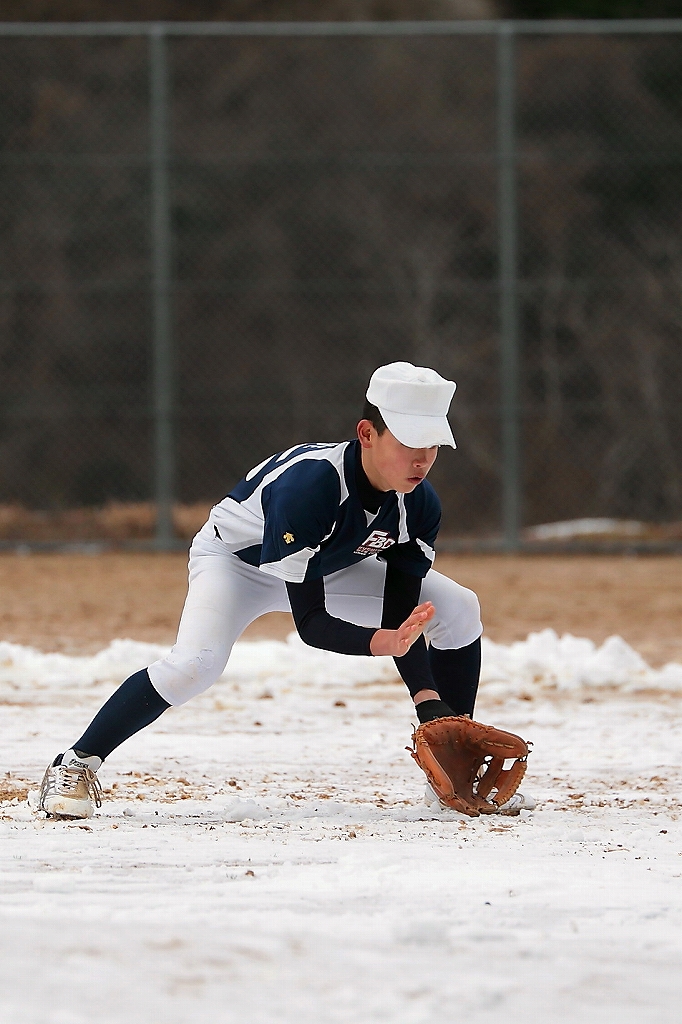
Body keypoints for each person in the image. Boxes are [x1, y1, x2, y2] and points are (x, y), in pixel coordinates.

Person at [38, 362, 489, 819]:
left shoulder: (419, 504)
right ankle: (75, 762)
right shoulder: (311, 487)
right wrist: (382, 642)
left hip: (329, 565)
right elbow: (312, 625)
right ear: (367, 433)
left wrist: (427, 700)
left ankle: (453, 774)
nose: (423, 459)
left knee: (458, 606)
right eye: (410, 442)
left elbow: (402, 615)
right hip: (237, 565)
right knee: (194, 666)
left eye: (433, 444)